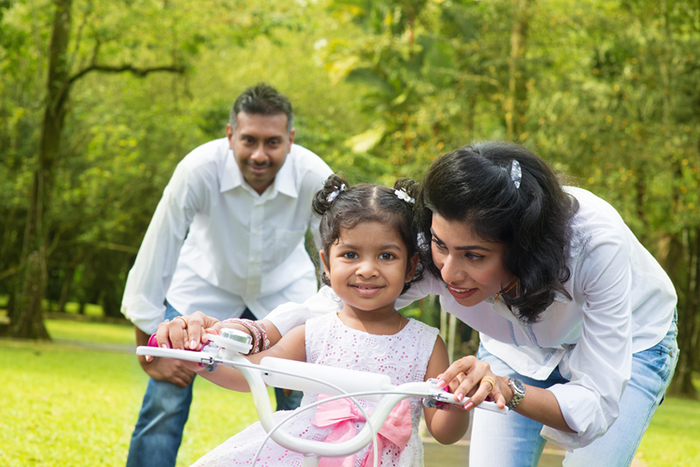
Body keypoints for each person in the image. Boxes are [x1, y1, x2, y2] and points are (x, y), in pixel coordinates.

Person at [166, 141, 679, 467]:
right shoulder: (432, 249)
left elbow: (595, 408)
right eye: (438, 246)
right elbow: (336, 302)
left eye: (474, 256)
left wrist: (507, 390)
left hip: (628, 350)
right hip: (508, 354)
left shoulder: (593, 244)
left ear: (522, 250)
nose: (448, 273)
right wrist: (254, 333)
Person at [158, 174, 470, 466]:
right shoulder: (314, 332)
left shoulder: (426, 344)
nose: (367, 269)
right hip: (311, 455)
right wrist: (200, 359)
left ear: (411, 265)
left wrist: (455, 399)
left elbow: (444, 431)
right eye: (350, 255)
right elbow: (252, 373)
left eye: (386, 256)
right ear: (326, 261)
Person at [121, 83, 333, 467]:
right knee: (163, 406)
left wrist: (332, 329)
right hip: (200, 291)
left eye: (272, 142)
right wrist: (150, 346)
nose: (259, 154)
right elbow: (159, 249)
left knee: (307, 408)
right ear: (230, 134)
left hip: (285, 298)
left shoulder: (315, 176)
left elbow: (338, 259)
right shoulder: (197, 170)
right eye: (249, 140)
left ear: (290, 139)